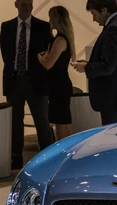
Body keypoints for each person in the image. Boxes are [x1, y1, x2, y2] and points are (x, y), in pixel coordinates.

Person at [0, 0, 55, 170]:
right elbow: (5, 53)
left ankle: (48, 158)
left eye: (29, 3)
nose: (26, 6)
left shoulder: (43, 27)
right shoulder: (7, 26)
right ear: (16, 5)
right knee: (15, 122)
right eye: (23, 3)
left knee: (42, 121)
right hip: (14, 79)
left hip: (36, 80)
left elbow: (49, 52)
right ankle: (16, 157)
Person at [73, 0, 117, 126]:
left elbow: (108, 66)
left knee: (112, 138)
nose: (94, 19)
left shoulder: (114, 29)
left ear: (104, 10)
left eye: (94, 14)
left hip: (113, 97)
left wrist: (86, 67)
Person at [37, 6, 75, 141]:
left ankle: (64, 153)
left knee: (61, 123)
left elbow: (48, 64)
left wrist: (40, 57)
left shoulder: (60, 40)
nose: (49, 21)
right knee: (62, 122)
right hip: (59, 85)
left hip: (58, 86)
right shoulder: (63, 39)